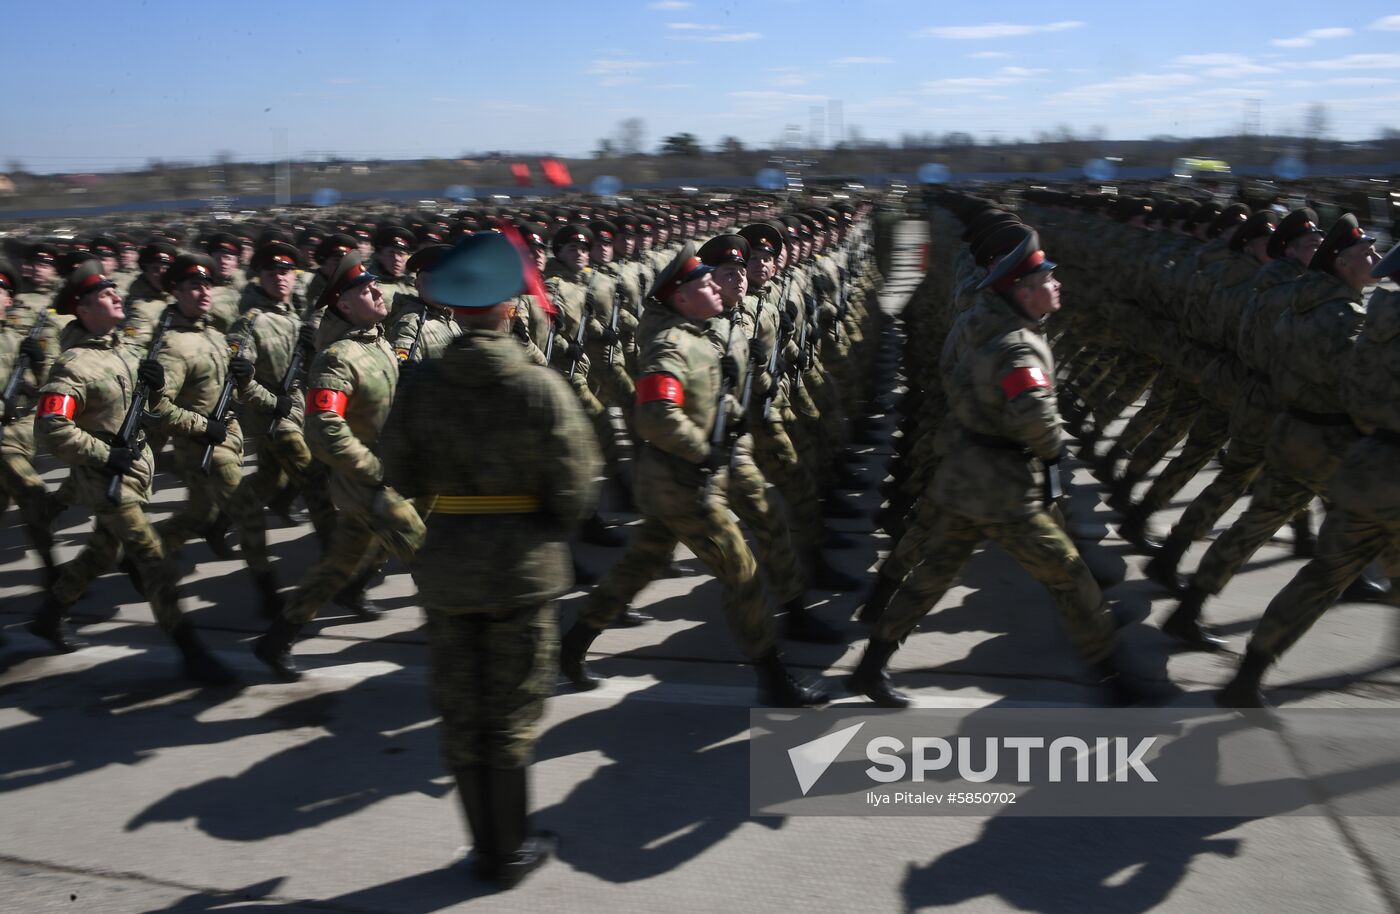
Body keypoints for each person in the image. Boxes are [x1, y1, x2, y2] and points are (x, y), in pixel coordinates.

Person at [380, 231, 599, 890]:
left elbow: (399, 469)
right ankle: (508, 853)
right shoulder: (539, 386)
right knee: (512, 714)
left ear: (452, 308)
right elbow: (575, 489)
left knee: (461, 710)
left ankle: (484, 848)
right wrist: (538, 526)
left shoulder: (419, 384)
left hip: (447, 562)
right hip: (521, 567)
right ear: (509, 307)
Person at [848, 229, 1140, 707]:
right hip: (1003, 490)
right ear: (1024, 291)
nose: (1057, 284)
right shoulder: (1019, 349)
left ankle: (871, 665)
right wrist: (1050, 455)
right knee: (1067, 574)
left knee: (931, 575)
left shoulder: (982, 319)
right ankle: (1112, 672)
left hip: (965, 472)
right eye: (1048, 278)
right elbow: (1037, 421)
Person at [558, 242, 828, 708]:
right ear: (680, 297)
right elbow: (656, 416)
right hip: (681, 484)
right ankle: (773, 676)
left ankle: (573, 645)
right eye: (705, 283)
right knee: (741, 572)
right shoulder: (671, 344)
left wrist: (729, 412)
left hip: (685, 478)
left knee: (639, 564)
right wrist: (702, 451)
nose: (716, 288)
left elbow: (699, 399)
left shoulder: (701, 334)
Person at [28, 262, 235, 684]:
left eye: (113, 291)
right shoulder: (73, 366)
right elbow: (51, 429)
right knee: (153, 561)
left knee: (102, 551)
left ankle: (49, 614)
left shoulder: (125, 351)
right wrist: (104, 454)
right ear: (82, 311)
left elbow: (154, 412)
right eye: (104, 296)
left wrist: (178, 406)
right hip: (106, 480)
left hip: (134, 473)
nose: (115, 296)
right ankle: (191, 652)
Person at [1219, 242, 1400, 708]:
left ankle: (1250, 671)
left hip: (1366, 465)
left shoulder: (1375, 323)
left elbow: (1355, 397)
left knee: (1322, 576)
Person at [252, 252, 425, 680]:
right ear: (343, 306)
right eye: (363, 290)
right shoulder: (337, 358)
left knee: (339, 563)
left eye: (374, 285)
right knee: (429, 552)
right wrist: (372, 469)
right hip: (366, 482)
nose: (376, 291)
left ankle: (277, 640)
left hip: (386, 475)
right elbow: (324, 428)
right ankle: (466, 638)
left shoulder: (378, 341)